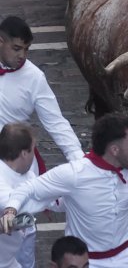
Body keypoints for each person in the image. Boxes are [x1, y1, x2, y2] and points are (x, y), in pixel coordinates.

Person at [1, 113, 128, 267]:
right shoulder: (74, 174)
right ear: (114, 149)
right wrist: (11, 211)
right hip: (89, 263)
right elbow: (28, 189)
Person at [0, 16, 83, 170]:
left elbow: (55, 122)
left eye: (26, 49)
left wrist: (79, 159)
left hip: (16, 160)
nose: (22, 56)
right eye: (17, 48)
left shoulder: (34, 77)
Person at [0, 123, 58, 268]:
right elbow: (9, 201)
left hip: (10, 258)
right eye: (33, 150)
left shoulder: (27, 174)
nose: (34, 155)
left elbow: (50, 200)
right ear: (24, 153)